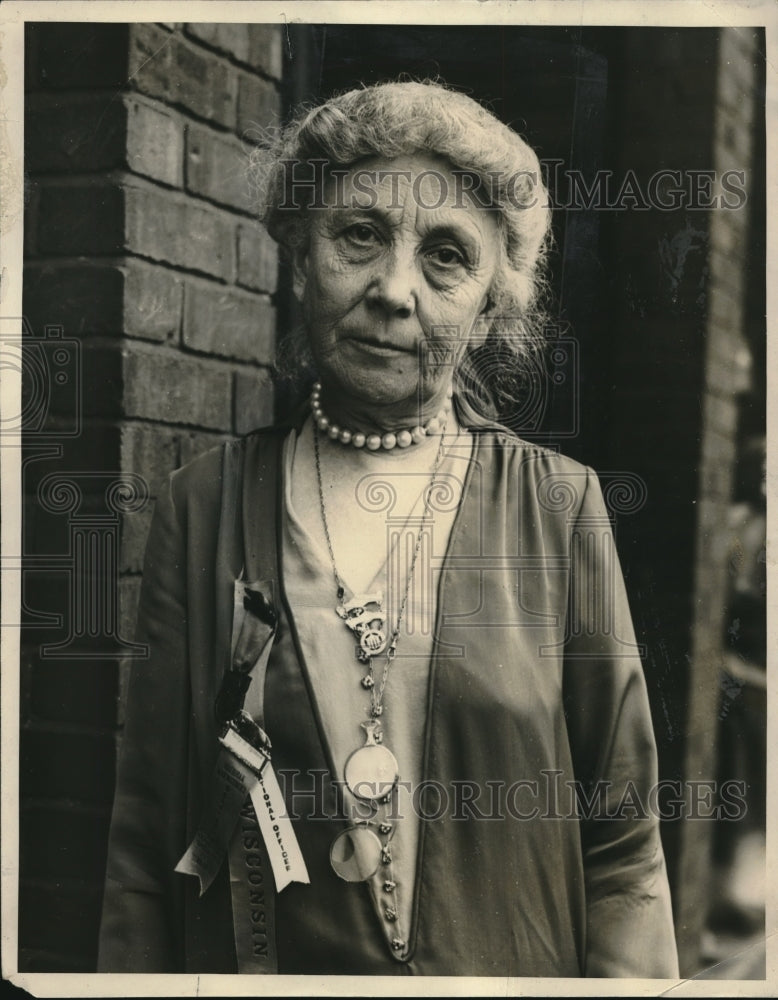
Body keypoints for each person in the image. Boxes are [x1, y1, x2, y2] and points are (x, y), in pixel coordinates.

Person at [98, 79, 679, 977]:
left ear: (488, 312)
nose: (394, 290)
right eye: (360, 234)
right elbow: (145, 852)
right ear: (301, 258)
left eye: (446, 256)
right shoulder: (202, 505)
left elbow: (627, 855)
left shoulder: (559, 509)